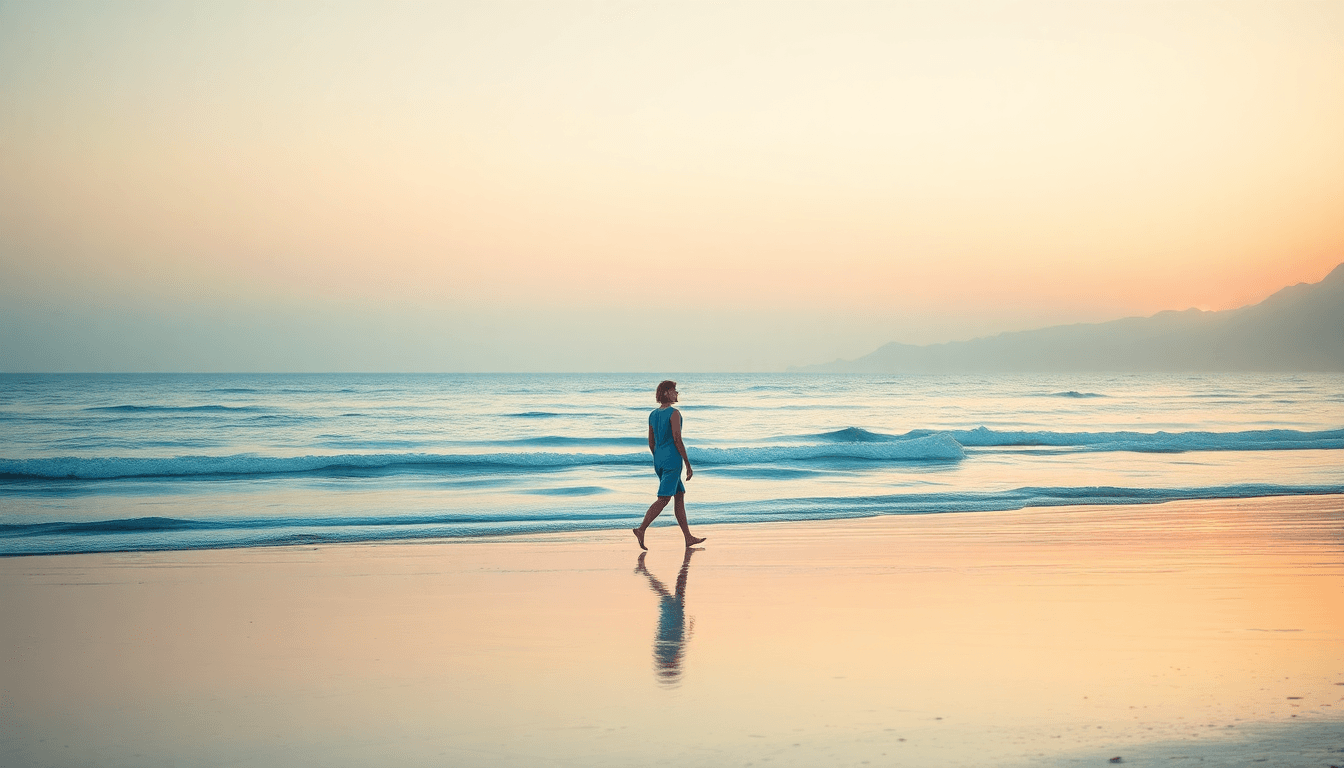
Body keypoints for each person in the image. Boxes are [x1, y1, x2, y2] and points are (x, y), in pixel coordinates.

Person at [633, 380, 706, 550]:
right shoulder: (674, 413)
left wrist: (659, 457)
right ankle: (641, 529)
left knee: (679, 496)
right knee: (664, 498)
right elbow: (677, 439)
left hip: (658, 460)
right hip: (672, 461)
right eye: (674, 391)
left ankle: (688, 537)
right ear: (666, 393)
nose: (677, 393)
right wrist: (687, 463)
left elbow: (651, 442)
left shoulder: (652, 415)